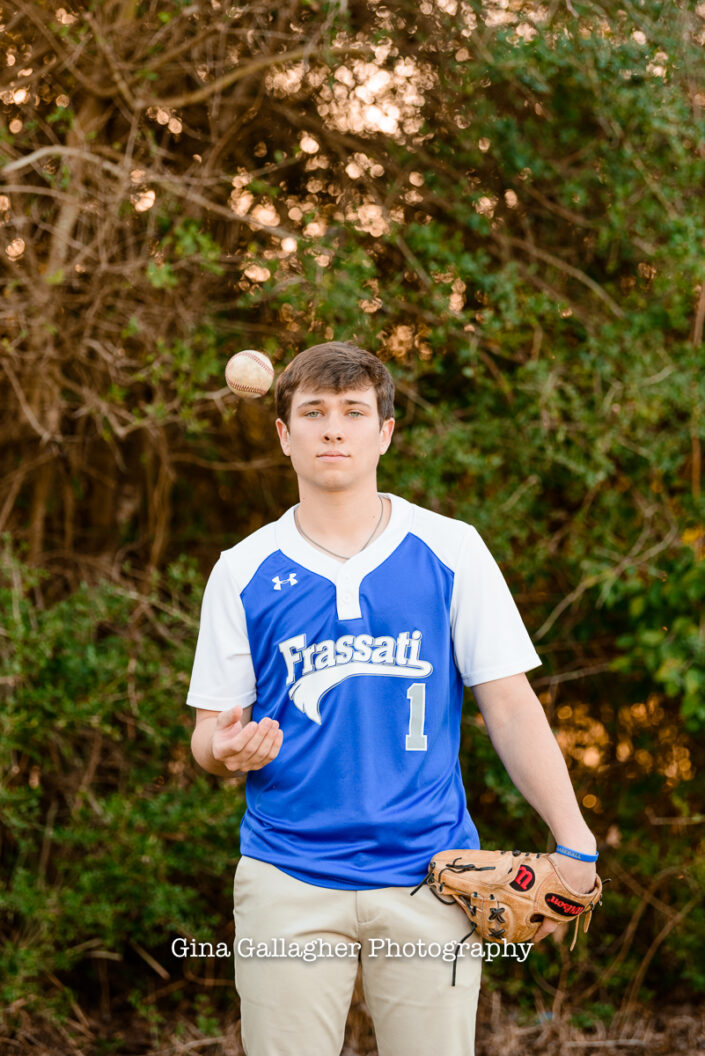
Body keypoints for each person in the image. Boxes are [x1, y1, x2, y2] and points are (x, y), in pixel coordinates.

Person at [187, 342, 597, 1056]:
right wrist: (223, 751)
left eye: (353, 411)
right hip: (287, 876)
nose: (332, 429)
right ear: (284, 435)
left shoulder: (451, 549)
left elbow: (508, 705)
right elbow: (206, 739)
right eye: (312, 413)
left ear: (385, 431)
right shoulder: (242, 569)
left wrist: (575, 842)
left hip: (429, 876)